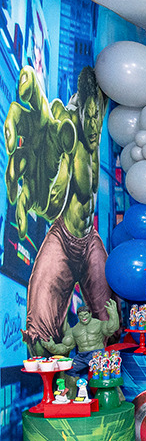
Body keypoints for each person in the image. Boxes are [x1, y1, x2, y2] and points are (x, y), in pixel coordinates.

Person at [6, 66, 114, 355]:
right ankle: (53, 381)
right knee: (38, 330)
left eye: (98, 115)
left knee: (111, 321)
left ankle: (106, 378)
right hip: (63, 239)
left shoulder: (96, 132)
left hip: (90, 240)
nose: (94, 124)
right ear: (80, 111)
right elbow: (52, 197)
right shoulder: (68, 133)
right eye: (89, 115)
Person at [41, 301, 120, 375]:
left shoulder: (99, 324)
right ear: (78, 316)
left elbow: (112, 328)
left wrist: (113, 314)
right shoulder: (74, 330)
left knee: (102, 375)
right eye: (81, 315)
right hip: (81, 356)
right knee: (69, 370)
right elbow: (65, 347)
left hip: (97, 354)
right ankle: (74, 385)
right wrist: (52, 347)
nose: (83, 317)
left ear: (90, 314)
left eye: (85, 314)